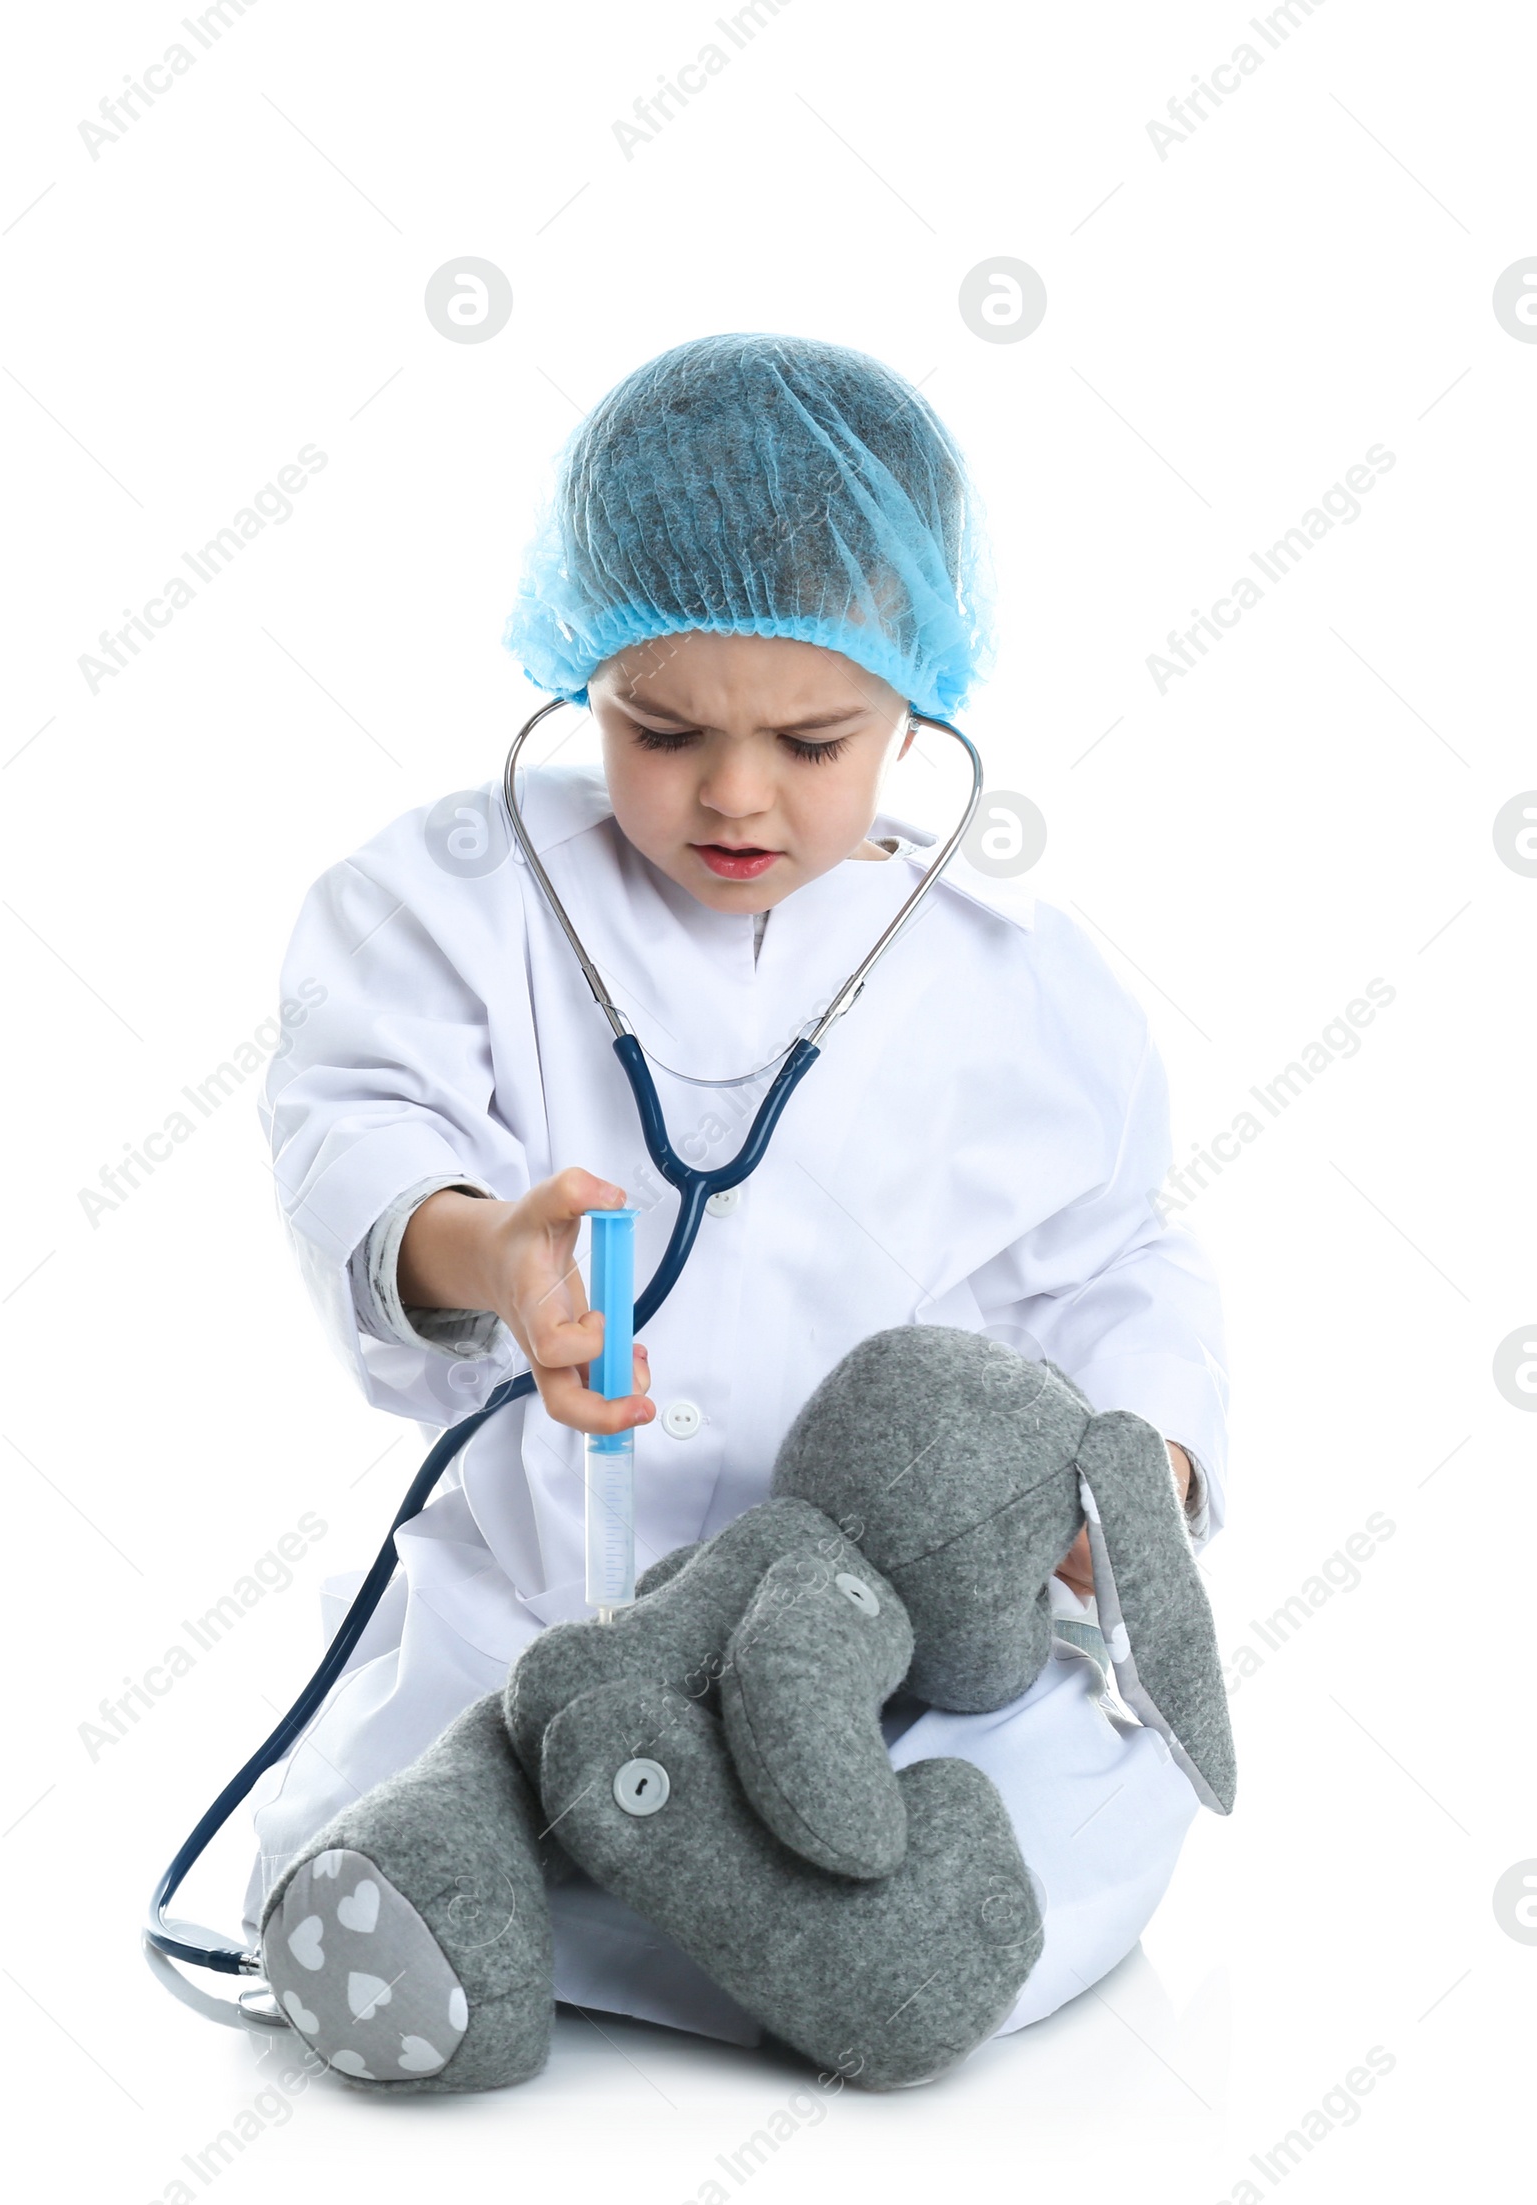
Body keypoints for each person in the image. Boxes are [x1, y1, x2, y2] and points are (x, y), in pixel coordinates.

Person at [247, 332, 1227, 2049]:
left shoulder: (1013, 977)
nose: (734, 791)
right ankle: (735, 1914)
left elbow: (1113, 1257)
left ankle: (681, 1887)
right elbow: (357, 1119)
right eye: (661, 724)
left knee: (1071, 1807)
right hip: (543, 1616)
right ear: (582, 668)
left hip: (879, 1671)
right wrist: (487, 1249)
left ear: (921, 700)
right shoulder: (462, 898)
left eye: (815, 736)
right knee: (408, 1796)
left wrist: (1144, 1455)